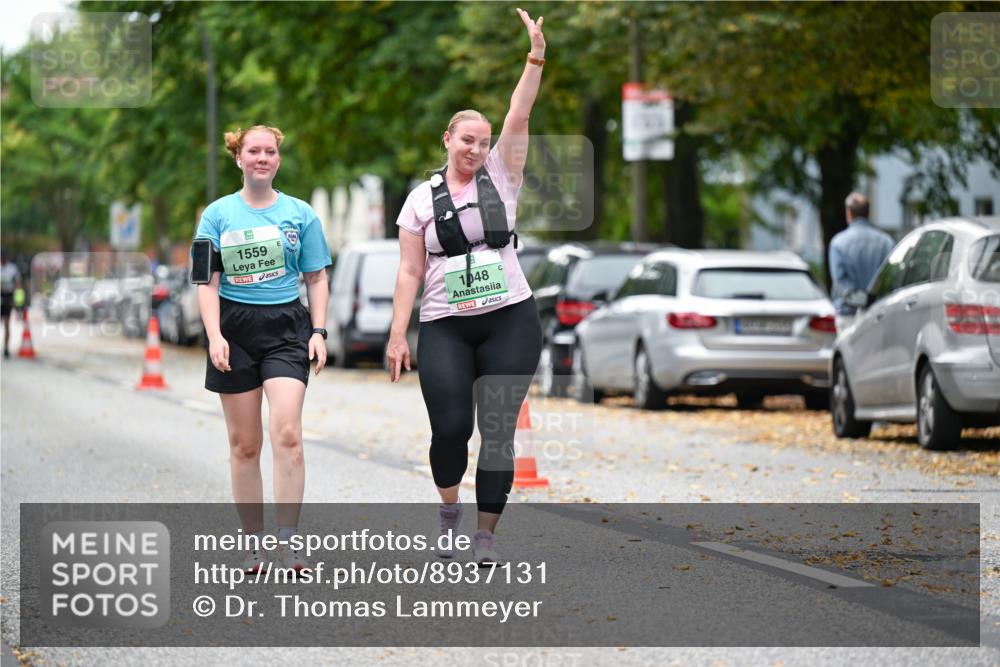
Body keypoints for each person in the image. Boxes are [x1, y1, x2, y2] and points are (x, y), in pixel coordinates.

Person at [386, 8, 547, 566]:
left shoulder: (502, 174)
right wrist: (397, 335)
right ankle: (449, 512)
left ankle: (485, 536)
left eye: (483, 141)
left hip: (510, 318)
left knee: (497, 430)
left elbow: (519, 111)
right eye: (467, 140)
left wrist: (535, 56)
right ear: (447, 139)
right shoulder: (417, 201)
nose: (475, 148)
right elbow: (409, 271)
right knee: (451, 428)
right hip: (445, 325)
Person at [194, 125, 331, 573]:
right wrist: (215, 335)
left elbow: (316, 277)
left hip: (286, 328)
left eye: (270, 151)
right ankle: (253, 542)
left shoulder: (300, 213)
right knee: (245, 444)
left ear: (277, 159)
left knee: (287, 432)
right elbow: (206, 282)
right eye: (254, 151)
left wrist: (319, 330)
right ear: (239, 158)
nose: (262, 158)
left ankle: (288, 541)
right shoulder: (216, 216)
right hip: (233, 328)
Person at [828, 192, 894, 330]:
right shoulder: (886, 242)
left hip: (847, 315)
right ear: (868, 213)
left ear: (849, 213)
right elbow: (890, 279)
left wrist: (858, 300)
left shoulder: (838, 243)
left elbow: (840, 281)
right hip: (878, 314)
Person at [1, 252, 22, 358]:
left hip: (8, 296)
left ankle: (6, 348)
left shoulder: (12, 269)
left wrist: (17, 302)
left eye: (4, 258)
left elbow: (18, 284)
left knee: (6, 324)